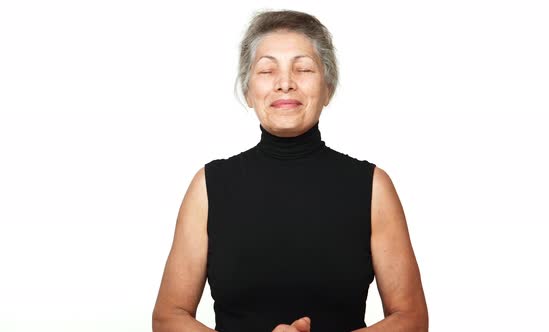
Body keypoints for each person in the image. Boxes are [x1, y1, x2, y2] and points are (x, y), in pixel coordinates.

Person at [152, 9, 428, 332]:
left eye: (304, 68)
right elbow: (168, 316)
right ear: (248, 91)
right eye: (268, 70)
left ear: (328, 88)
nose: (285, 83)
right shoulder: (209, 187)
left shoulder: (372, 187)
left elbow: (412, 319)